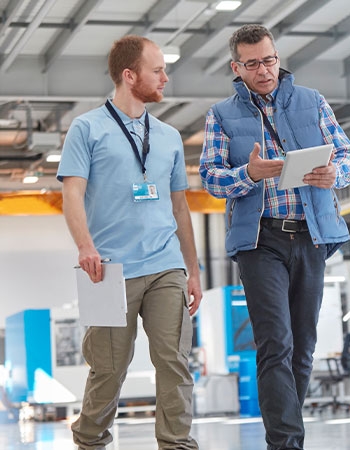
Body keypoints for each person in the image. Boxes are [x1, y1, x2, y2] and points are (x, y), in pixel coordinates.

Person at [199, 24, 350, 449]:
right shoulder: (221, 115)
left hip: (311, 236)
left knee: (303, 347)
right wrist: (248, 173)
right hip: (260, 241)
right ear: (237, 67)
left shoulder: (312, 101)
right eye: (252, 64)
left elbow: (347, 153)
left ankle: (285, 437)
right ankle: (286, 444)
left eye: (269, 60)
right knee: (275, 343)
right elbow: (211, 178)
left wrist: (336, 173)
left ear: (277, 58)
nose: (264, 70)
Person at [57, 35, 202, 449]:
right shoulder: (87, 128)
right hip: (107, 271)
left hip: (165, 267)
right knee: (109, 369)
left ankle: (176, 444)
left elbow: (179, 208)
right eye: (157, 71)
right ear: (129, 75)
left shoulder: (169, 136)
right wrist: (85, 246)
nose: (165, 78)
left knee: (174, 363)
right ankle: (90, 440)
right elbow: (72, 194)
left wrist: (192, 271)